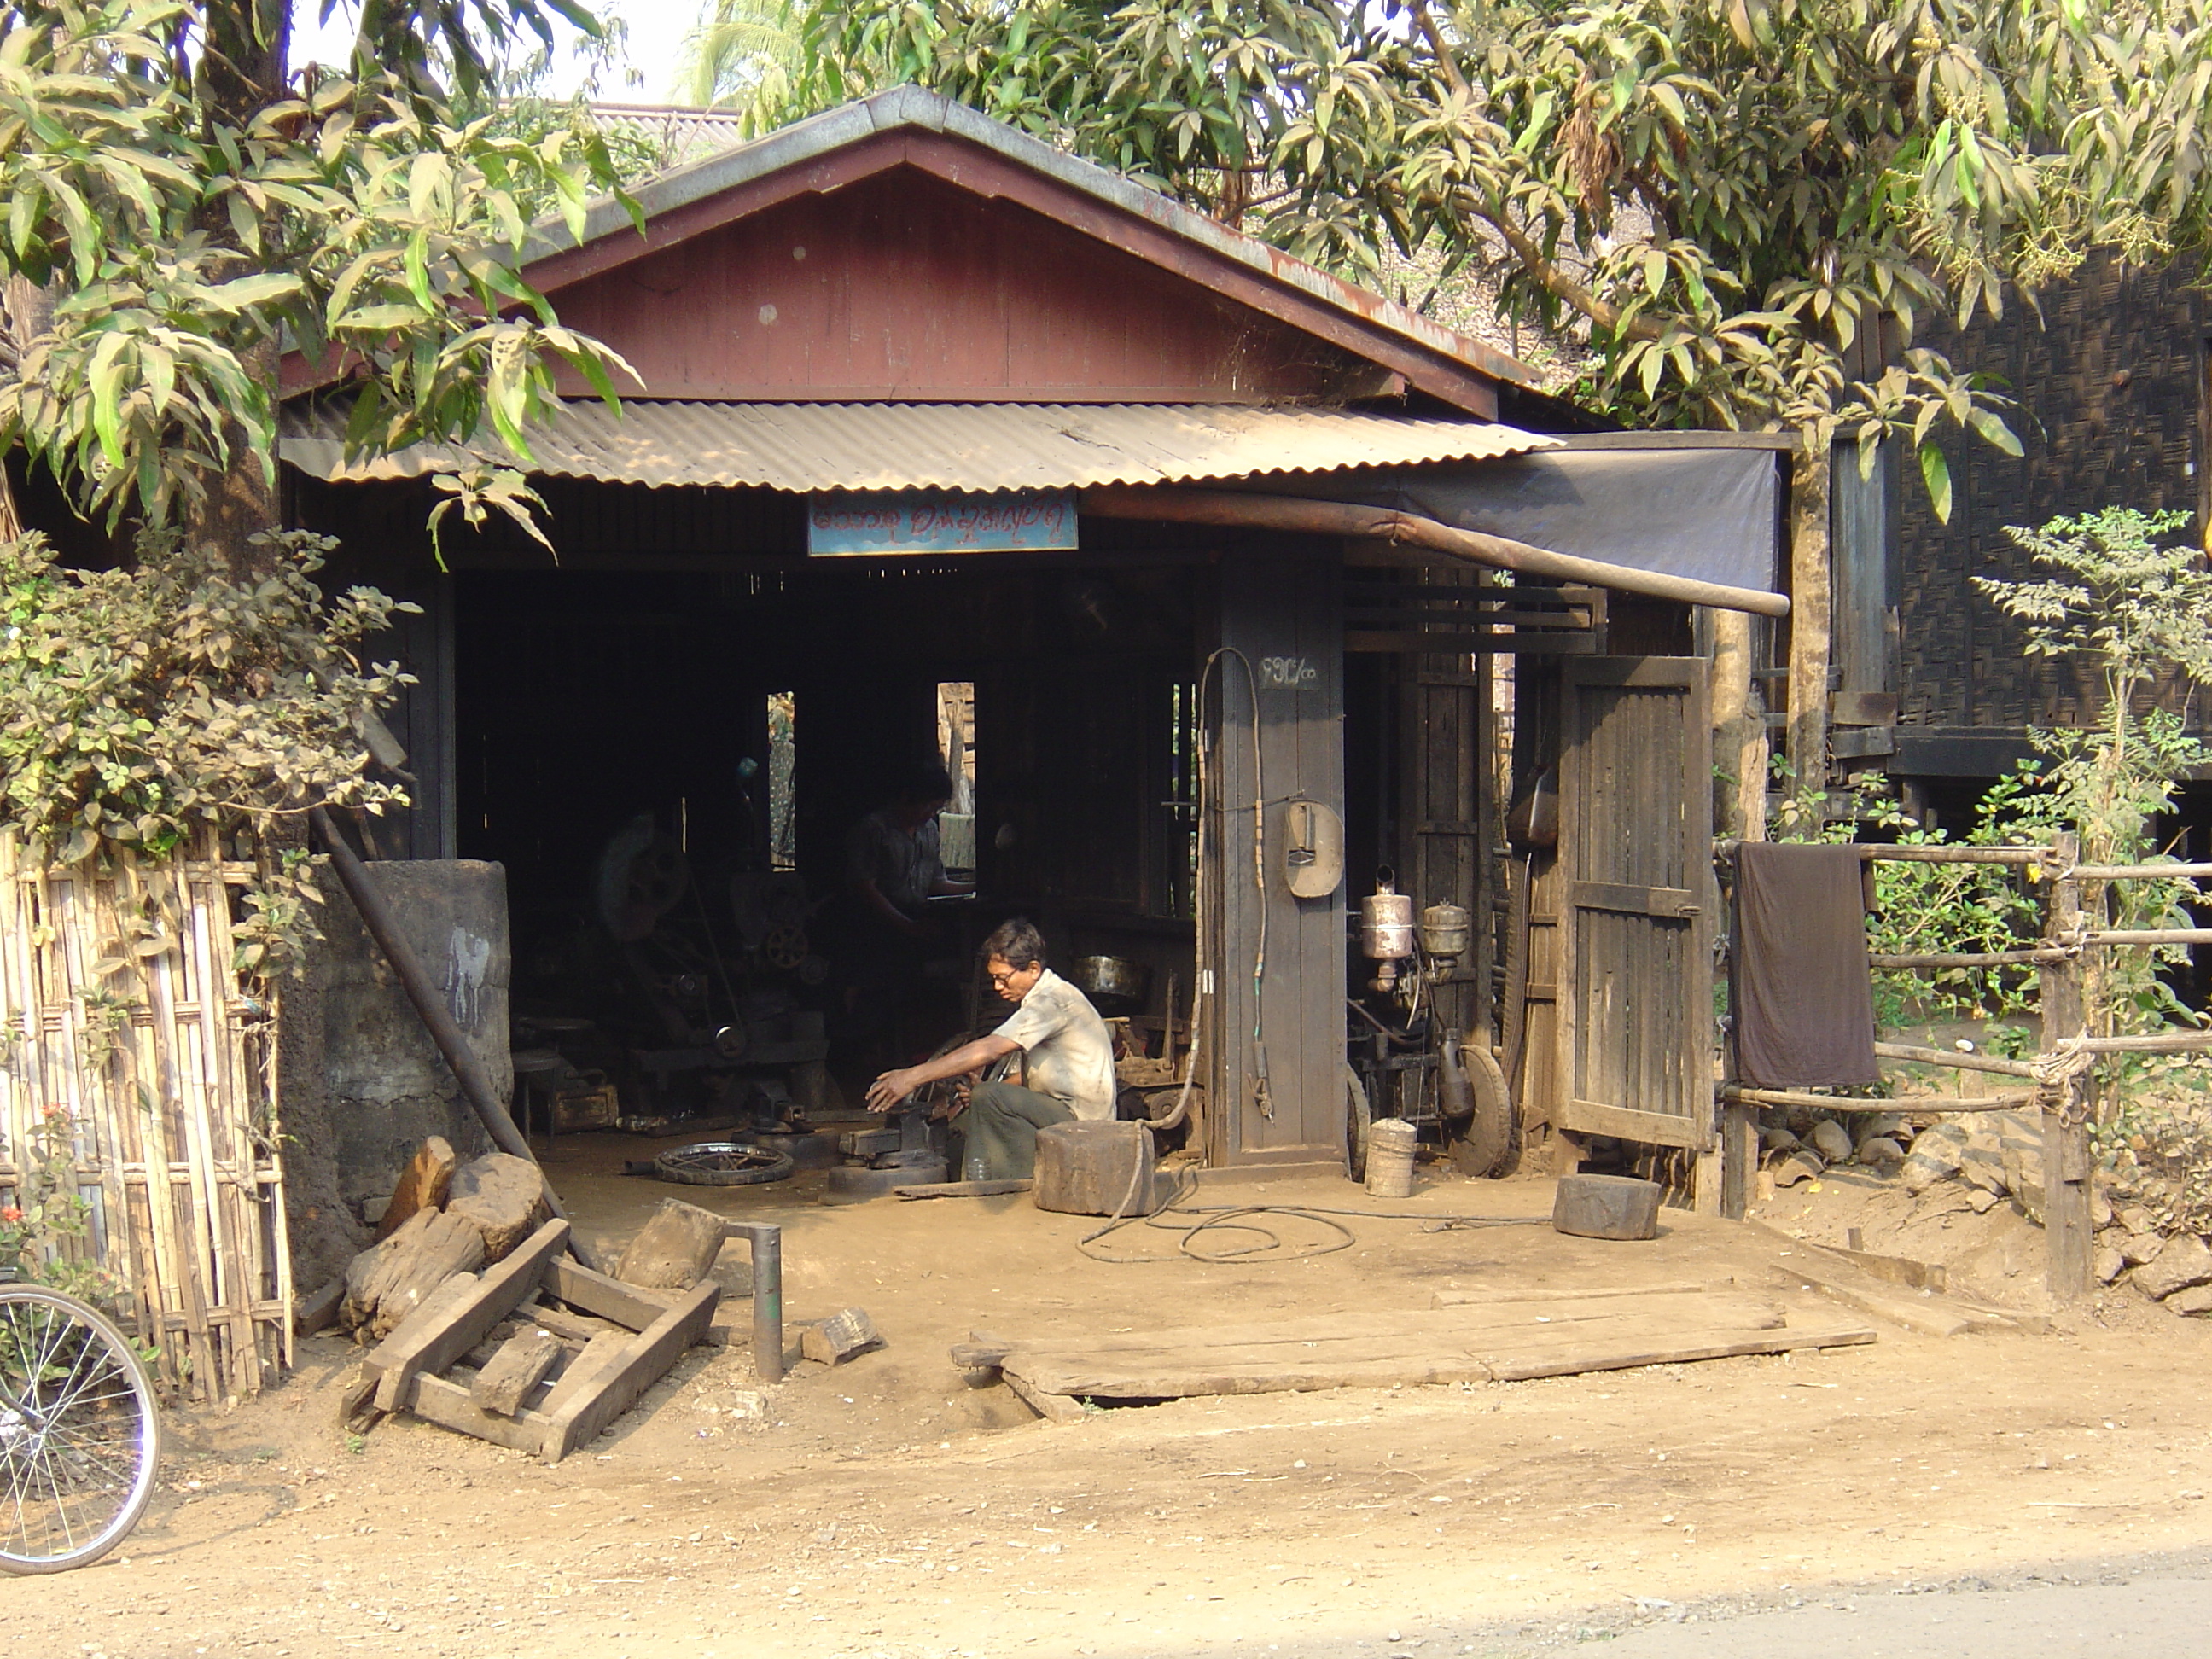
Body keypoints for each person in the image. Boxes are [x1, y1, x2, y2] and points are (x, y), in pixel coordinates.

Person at [863, 917, 1115, 1180]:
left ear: (1032, 969)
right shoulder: (1041, 999)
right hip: (1061, 1111)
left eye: (1003, 979)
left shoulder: (1051, 1001)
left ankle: (995, 1187)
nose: (997, 987)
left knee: (989, 1096)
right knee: (973, 1113)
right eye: (994, 979)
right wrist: (987, 1095)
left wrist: (912, 1077)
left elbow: (990, 1049)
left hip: (1085, 1124)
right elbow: (1036, 1077)